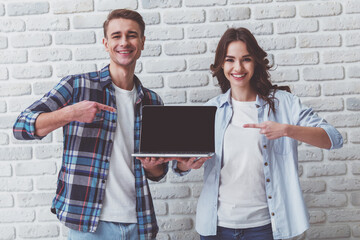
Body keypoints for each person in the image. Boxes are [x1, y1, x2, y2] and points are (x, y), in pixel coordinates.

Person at [13, 9, 170, 240]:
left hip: (139, 222)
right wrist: (70, 113)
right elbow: (21, 126)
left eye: (132, 35)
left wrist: (152, 165)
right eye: (116, 36)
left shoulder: (152, 101)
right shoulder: (77, 86)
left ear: (143, 42)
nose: (124, 42)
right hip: (89, 225)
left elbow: (158, 172)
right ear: (106, 43)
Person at [173, 27, 343, 240]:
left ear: (256, 62)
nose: (238, 67)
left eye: (246, 59)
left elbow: (334, 139)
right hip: (216, 226)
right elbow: (181, 165)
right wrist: (185, 164)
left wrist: (287, 129)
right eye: (230, 60)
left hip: (265, 227)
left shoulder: (284, 104)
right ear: (221, 65)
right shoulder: (210, 110)